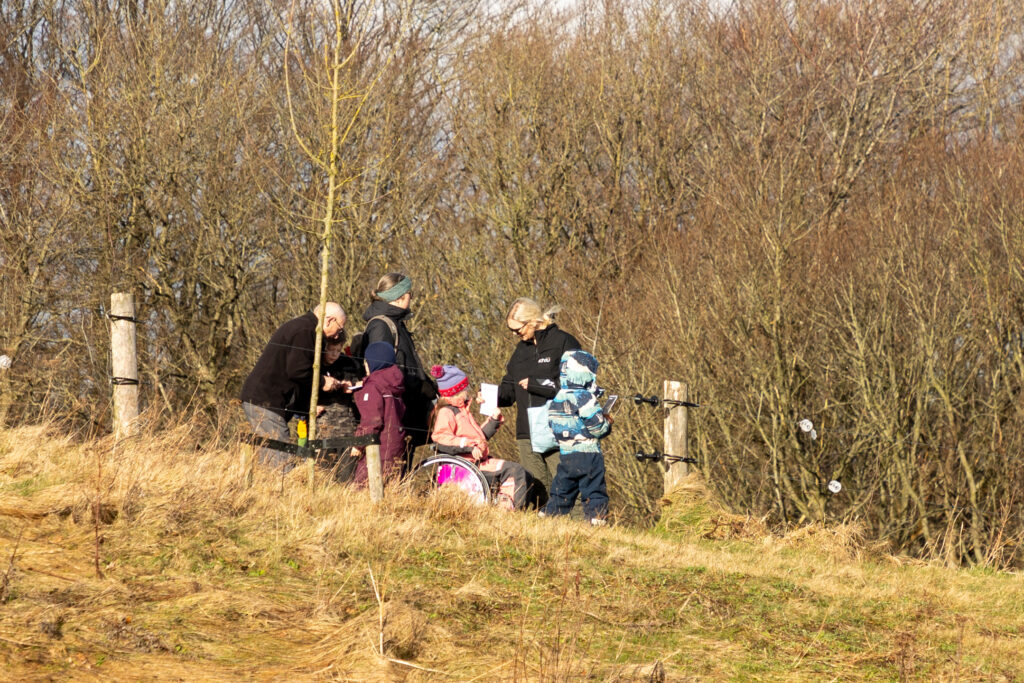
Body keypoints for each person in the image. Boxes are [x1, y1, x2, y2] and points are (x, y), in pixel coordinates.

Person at [240, 303, 346, 470]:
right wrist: (323, 382)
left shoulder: (305, 328)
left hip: (267, 400)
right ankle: (279, 486)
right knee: (280, 462)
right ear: (329, 320)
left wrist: (307, 407)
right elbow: (298, 371)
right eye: (339, 329)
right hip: (266, 401)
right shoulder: (305, 332)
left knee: (270, 458)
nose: (337, 335)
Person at [497, 297, 581, 501]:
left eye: (517, 329)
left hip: (558, 428)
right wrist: (491, 397)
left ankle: (580, 522)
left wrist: (536, 385)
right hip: (527, 433)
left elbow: (577, 384)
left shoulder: (564, 342)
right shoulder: (520, 351)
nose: (515, 335)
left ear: (532, 320)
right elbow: (509, 387)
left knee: (569, 488)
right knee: (537, 493)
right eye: (511, 330)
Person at [358, 273, 437, 474]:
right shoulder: (381, 326)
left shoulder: (396, 323)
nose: (411, 298)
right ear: (400, 297)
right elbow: (382, 374)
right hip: (395, 410)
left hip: (407, 404)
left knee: (403, 462)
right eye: (410, 294)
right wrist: (421, 386)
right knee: (394, 467)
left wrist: (429, 386)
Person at [429, 364, 530, 510]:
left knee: (525, 474)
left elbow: (478, 438)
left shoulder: (462, 411)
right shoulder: (447, 412)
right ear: (457, 391)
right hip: (464, 467)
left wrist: (494, 419)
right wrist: (469, 446)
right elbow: (440, 439)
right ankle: (509, 511)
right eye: (465, 388)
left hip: (475, 462)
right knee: (515, 471)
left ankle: (508, 506)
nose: (468, 391)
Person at [543, 349, 613, 525]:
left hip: (566, 454)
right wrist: (607, 422)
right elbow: (597, 428)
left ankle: (549, 516)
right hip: (588, 454)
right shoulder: (584, 397)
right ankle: (597, 519)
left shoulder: (558, 397)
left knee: (562, 490)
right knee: (593, 489)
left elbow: (552, 425)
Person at [351, 342, 406, 485]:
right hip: (394, 444)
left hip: (379, 446)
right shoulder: (393, 384)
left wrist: (358, 444)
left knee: (363, 485)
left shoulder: (373, 387)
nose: (365, 366)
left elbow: (371, 421)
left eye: (366, 362)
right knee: (390, 485)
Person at [317, 338, 364, 481]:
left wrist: (352, 385)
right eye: (331, 350)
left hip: (347, 428)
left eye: (338, 350)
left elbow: (361, 383)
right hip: (322, 429)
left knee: (346, 477)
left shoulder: (349, 365)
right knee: (323, 475)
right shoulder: (314, 365)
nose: (334, 354)